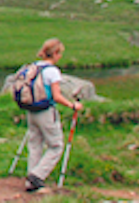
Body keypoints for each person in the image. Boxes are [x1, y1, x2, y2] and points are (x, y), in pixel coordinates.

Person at [25, 38, 83, 192]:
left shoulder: (34, 66)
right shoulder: (52, 71)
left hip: (31, 110)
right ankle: (37, 176)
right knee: (56, 145)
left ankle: (30, 181)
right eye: (60, 53)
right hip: (45, 111)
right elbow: (57, 96)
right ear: (55, 53)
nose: (61, 57)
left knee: (35, 143)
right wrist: (72, 105)